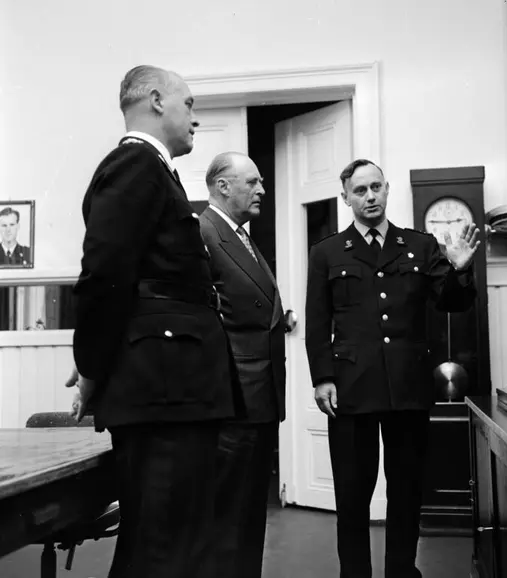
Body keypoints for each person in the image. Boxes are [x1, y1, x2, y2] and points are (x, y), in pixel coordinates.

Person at [68, 65, 241, 578]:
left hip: (173, 388)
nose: (195, 118)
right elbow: (104, 276)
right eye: (189, 104)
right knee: (161, 551)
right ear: (157, 100)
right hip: (163, 391)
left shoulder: (153, 170)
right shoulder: (135, 165)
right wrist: (92, 368)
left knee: (173, 545)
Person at [304, 159, 480, 578]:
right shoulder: (327, 252)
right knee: (352, 494)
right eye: (360, 190)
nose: (370, 197)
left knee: (406, 489)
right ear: (346, 198)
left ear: (386, 190)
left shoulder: (420, 245)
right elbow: (317, 321)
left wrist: (460, 269)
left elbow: (452, 302)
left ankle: (402, 570)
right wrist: (323, 378)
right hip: (351, 388)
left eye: (376, 187)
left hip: (408, 386)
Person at [200, 151, 286, 578]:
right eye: (252, 182)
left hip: (257, 398)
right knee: (229, 518)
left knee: (250, 514)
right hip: (232, 399)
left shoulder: (238, 236)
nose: (261, 190)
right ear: (223, 186)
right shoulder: (203, 232)